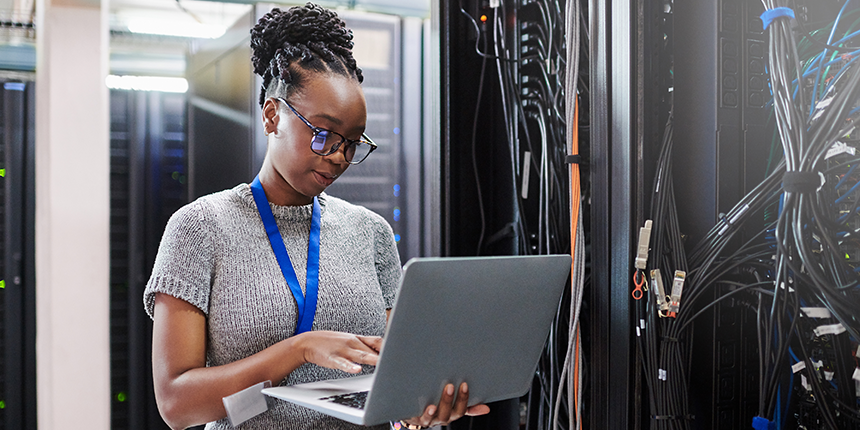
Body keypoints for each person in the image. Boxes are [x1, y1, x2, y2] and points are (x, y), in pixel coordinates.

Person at [144, 3, 489, 429]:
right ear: (273, 115)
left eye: (352, 142)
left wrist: (420, 411)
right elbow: (177, 405)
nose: (339, 157)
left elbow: (392, 378)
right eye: (324, 135)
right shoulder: (201, 228)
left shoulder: (370, 234)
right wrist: (299, 349)